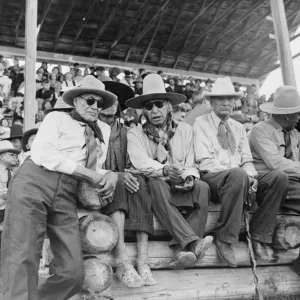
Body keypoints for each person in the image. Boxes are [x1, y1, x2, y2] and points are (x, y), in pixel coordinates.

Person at [1, 75, 119, 300]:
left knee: (72, 272)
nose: (95, 107)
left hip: (67, 191)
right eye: (89, 101)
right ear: (75, 101)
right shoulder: (56, 118)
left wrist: (112, 175)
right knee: (22, 256)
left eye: (100, 103)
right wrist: (89, 174)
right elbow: (43, 153)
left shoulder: (103, 129)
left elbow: (96, 168)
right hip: (34, 180)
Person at [193, 77, 288, 267]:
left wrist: (251, 177)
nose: (227, 103)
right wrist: (240, 174)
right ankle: (224, 238)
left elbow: (247, 160)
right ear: (211, 102)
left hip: (239, 177)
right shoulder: (200, 123)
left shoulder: (238, 127)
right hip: (213, 177)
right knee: (237, 174)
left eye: (230, 98)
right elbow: (205, 162)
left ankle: (259, 234)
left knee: (279, 177)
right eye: (221, 99)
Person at [126, 74, 213, 270]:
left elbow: (190, 160)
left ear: (168, 106)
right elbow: (141, 162)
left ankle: (180, 249)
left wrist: (189, 175)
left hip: (179, 181)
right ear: (144, 111)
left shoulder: (184, 130)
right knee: (156, 182)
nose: (154, 110)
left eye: (158, 104)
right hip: (155, 184)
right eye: (149, 107)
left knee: (202, 187)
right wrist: (164, 169)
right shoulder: (135, 133)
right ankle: (192, 243)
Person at [99, 81, 156, 287]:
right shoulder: (91, 129)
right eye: (107, 99)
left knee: (139, 180)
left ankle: (143, 259)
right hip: (99, 185)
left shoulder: (128, 132)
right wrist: (118, 175)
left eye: (116, 100)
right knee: (120, 181)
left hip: (125, 182)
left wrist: (129, 172)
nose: (113, 103)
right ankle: (122, 260)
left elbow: (135, 162)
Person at [248, 86, 300, 274]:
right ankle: (259, 235)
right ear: (288, 115)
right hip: (266, 184)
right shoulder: (260, 130)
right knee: (280, 176)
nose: (299, 118)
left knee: (285, 178)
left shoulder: (294, 134)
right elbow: (275, 163)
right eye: (297, 115)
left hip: (291, 183)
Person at [0, 140, 20, 224]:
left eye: (16, 155)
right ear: (1, 157)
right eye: (11, 155)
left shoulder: (15, 171)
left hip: (11, 211)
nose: (15, 157)